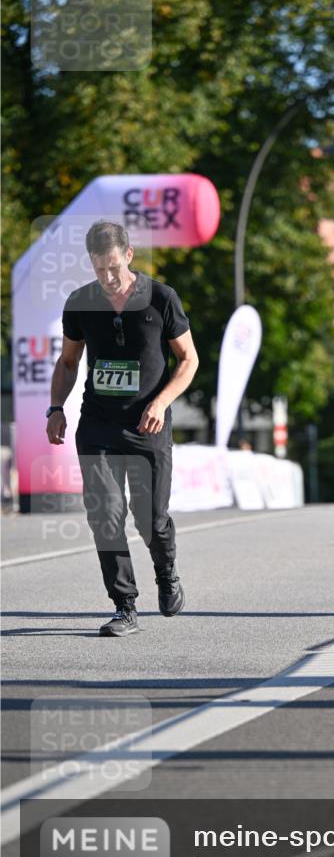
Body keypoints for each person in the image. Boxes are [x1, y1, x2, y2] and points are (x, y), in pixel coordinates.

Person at [46, 220, 199, 637]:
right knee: (105, 515)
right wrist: (56, 408)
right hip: (97, 425)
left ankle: (167, 576)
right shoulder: (80, 303)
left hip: (147, 426)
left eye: (114, 266)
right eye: (99, 269)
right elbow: (68, 363)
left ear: (128, 256)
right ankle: (124, 606)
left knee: (150, 519)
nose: (108, 277)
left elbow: (189, 360)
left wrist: (161, 402)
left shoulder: (162, 299)